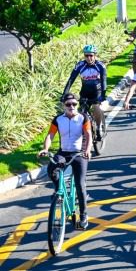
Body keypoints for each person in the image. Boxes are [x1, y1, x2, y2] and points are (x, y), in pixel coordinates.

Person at [38, 93, 92, 230]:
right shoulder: (58, 119)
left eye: (74, 104)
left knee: (80, 184)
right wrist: (45, 148)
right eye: (68, 104)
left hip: (79, 153)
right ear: (64, 106)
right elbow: (50, 135)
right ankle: (58, 192)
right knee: (52, 169)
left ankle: (84, 215)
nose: (72, 106)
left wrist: (87, 150)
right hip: (63, 152)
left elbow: (88, 135)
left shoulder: (83, 118)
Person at [63, 45, 107, 140]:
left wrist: (103, 94)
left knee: (96, 107)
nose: (89, 58)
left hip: (97, 92)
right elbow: (71, 79)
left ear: (95, 55)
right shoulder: (80, 65)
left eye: (91, 55)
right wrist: (64, 94)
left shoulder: (100, 65)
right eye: (86, 56)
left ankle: (99, 127)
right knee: (81, 112)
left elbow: (104, 81)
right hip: (85, 92)